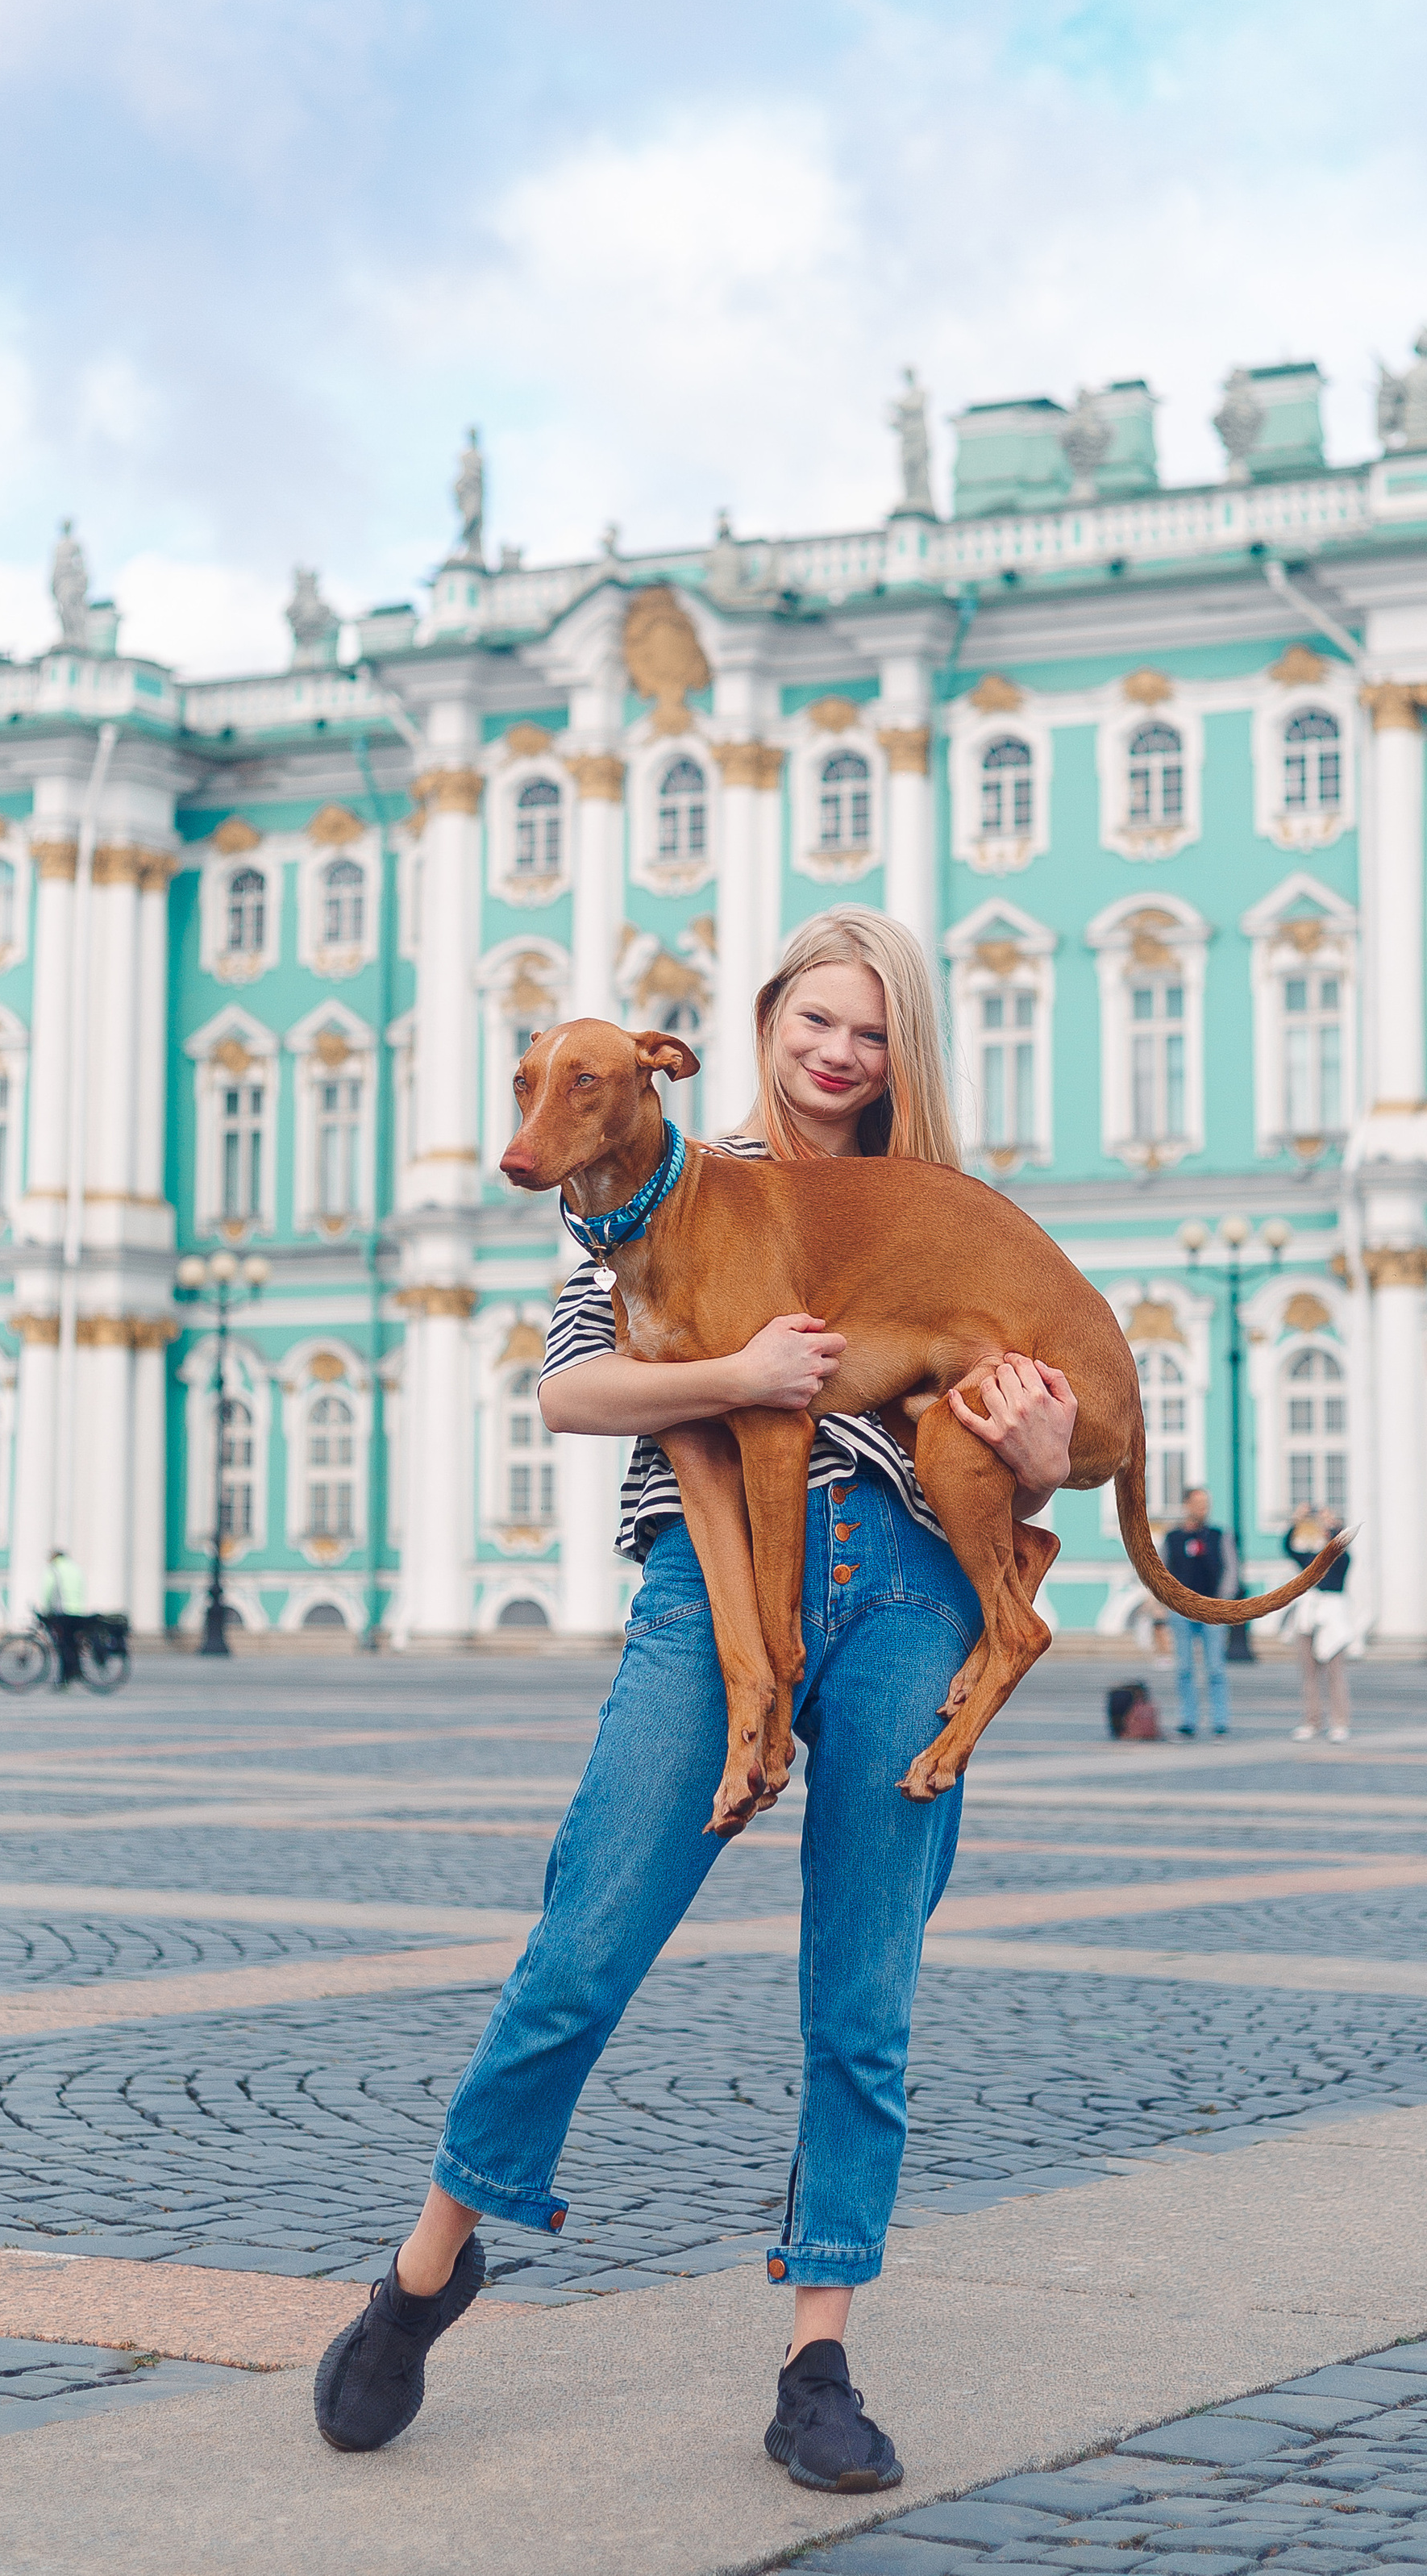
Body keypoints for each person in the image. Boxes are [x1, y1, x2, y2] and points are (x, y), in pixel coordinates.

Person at [313, 906, 1078, 2491]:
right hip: (703, 1587)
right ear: (765, 1026)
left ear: (896, 1054)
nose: (836, 1051)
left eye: (868, 1029)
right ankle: (433, 2255)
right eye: (814, 1019)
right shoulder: (661, 1176)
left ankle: (818, 2353)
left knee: (858, 1995)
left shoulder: (941, 1213)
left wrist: (1044, 1454)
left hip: (913, 1591)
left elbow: (1031, 1425)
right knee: (583, 1940)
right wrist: (738, 1378)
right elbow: (571, 1386)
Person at [1280, 1508, 1355, 1741]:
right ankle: (1312, 1721)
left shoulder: (1341, 1558)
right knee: (1309, 1674)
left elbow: (1343, 1548)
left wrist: (1333, 1526)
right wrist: (1296, 1521)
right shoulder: (1310, 1558)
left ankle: (1340, 1722)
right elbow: (1288, 1548)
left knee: (1335, 1674)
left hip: (1332, 1618)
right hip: (1308, 1617)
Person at [1161, 1486, 1229, 1738]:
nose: (1204, 1509)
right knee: (1185, 1669)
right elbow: (1162, 1571)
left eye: (1206, 1505)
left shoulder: (1217, 1535)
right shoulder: (1173, 1538)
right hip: (1181, 1610)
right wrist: (1167, 1601)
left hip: (1212, 1608)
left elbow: (1230, 1568)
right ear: (1187, 1505)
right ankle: (1188, 1719)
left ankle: (1220, 1720)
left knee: (1215, 1669)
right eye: (1199, 1504)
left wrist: (1223, 1603)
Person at [42, 1548, 87, 1689]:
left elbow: (48, 1589)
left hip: (63, 1611)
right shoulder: (75, 1568)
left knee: (62, 1646)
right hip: (77, 1610)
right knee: (71, 1644)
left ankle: (64, 1678)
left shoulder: (56, 1569)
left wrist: (46, 1609)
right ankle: (75, 1670)